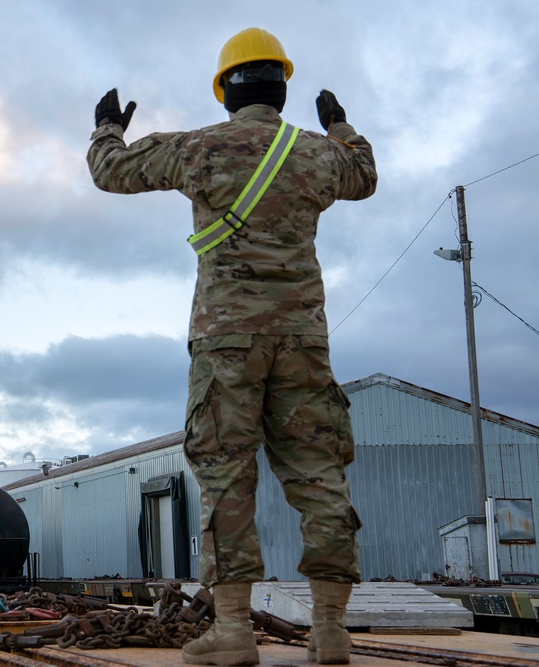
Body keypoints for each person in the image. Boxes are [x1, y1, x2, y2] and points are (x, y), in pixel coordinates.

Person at [87, 27, 376, 666]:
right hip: (303, 339)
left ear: (224, 91)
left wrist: (107, 126)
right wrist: (340, 126)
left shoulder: (198, 149)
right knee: (321, 475)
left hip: (227, 344)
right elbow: (364, 175)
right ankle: (330, 629)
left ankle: (235, 631)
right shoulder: (317, 155)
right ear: (282, 86)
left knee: (225, 475)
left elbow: (109, 172)